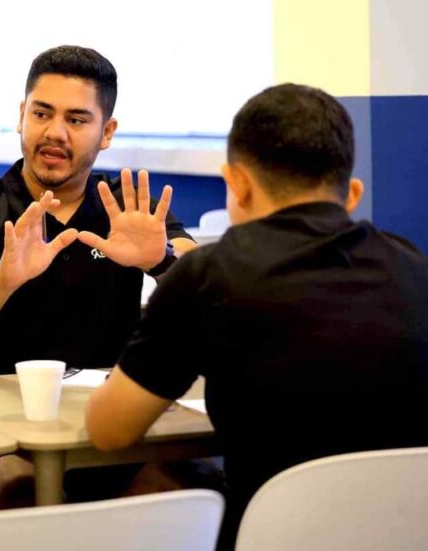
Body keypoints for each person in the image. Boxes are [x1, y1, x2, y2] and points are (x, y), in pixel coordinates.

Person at [85, 83, 428, 549]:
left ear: (238, 184)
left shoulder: (210, 275)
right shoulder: (413, 266)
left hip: (274, 536)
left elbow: (109, 431)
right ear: (351, 194)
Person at [0, 45, 197, 508]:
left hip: (112, 418)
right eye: (42, 113)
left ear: (106, 132)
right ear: (21, 116)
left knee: (195, 491)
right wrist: (3, 279)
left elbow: (210, 291)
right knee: (21, 494)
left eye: (77, 120)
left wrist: (160, 260)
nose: (54, 132)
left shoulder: (127, 208)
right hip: (0, 429)